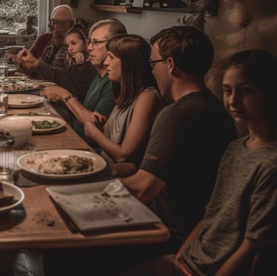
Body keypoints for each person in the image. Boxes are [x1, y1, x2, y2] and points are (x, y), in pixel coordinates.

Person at [118, 49, 277, 276]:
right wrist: (181, 256)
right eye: (227, 90)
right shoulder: (236, 148)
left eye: (246, 91)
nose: (233, 100)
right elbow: (211, 212)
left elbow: (253, 246)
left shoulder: (271, 164)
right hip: (189, 260)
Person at [120, 26, 237, 253]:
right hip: (202, 229)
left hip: (169, 234)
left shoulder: (176, 114)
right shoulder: (215, 107)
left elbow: (143, 190)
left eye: (153, 64)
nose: (152, 71)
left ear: (170, 65)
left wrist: (90, 182)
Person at [28, 19, 126, 148]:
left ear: (115, 45)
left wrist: (63, 94)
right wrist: (35, 64)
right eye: (90, 42)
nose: (89, 47)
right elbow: (62, 75)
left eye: (96, 43)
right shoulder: (93, 70)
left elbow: (94, 126)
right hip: (72, 134)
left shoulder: (114, 81)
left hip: (86, 146)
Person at [83, 34, 163, 174]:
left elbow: (123, 155)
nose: (106, 62)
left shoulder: (147, 97)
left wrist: (94, 132)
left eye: (111, 57)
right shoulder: (123, 92)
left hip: (119, 175)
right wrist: (102, 127)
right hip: (105, 165)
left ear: (128, 63)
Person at [6, 4, 74, 66]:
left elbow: (61, 74)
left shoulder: (74, 46)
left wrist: (36, 65)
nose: (56, 29)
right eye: (54, 23)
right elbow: (26, 59)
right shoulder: (43, 39)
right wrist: (15, 58)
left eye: (61, 24)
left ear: (71, 25)